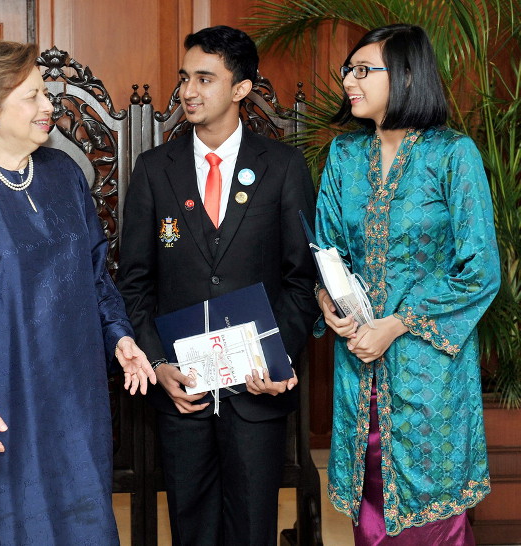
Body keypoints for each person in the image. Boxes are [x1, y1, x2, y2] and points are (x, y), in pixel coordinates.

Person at [0, 40, 156, 545]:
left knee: (80, 524)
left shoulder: (65, 175)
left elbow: (95, 276)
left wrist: (120, 339)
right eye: (33, 96)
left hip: (72, 394)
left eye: (45, 93)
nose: (49, 106)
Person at [117, 25, 318, 545]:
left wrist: (275, 357)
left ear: (241, 88)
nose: (188, 91)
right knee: (190, 528)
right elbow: (134, 281)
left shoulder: (283, 167)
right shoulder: (154, 170)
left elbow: (301, 281)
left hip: (257, 392)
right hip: (181, 393)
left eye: (205, 78)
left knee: (253, 528)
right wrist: (159, 364)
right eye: (185, 77)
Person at [315, 24, 500, 544]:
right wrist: (327, 299)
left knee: (432, 522)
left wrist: (397, 324)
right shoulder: (344, 158)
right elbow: (328, 253)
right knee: (370, 510)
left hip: (429, 376)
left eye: (362, 70)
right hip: (359, 366)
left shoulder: (450, 155)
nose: (349, 81)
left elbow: (480, 269)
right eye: (348, 70)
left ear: (407, 75)